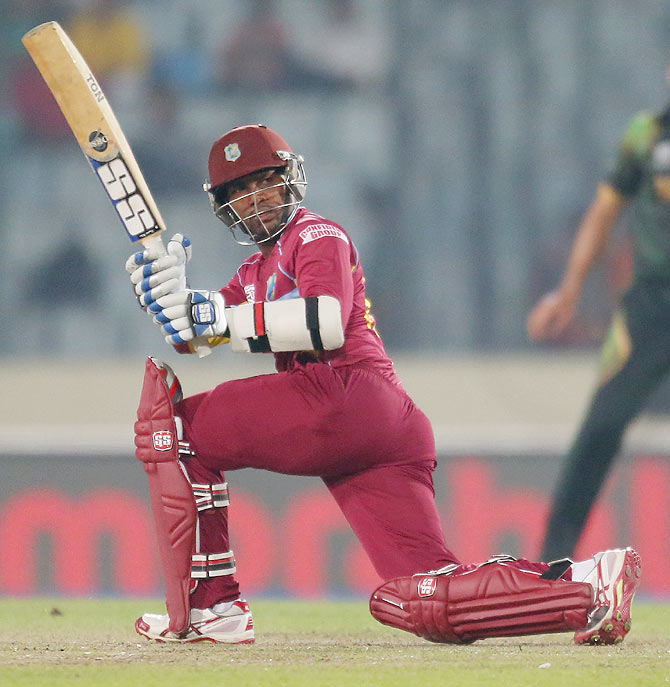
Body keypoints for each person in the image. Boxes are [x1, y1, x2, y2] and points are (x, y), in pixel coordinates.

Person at [126, 124, 640, 646]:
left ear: (288, 180)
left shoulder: (317, 235)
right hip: (381, 425)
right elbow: (197, 336)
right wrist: (168, 298)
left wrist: (215, 318)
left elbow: (322, 322)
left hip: (344, 393)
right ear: (225, 206)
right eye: (238, 191)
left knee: (174, 429)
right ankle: (585, 586)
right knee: (424, 595)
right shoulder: (254, 271)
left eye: (263, 182)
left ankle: (212, 606)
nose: (253, 199)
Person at [527, 100, 670, 562]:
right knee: (601, 428)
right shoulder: (647, 133)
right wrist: (568, 294)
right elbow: (605, 211)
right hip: (650, 306)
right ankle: (551, 566)